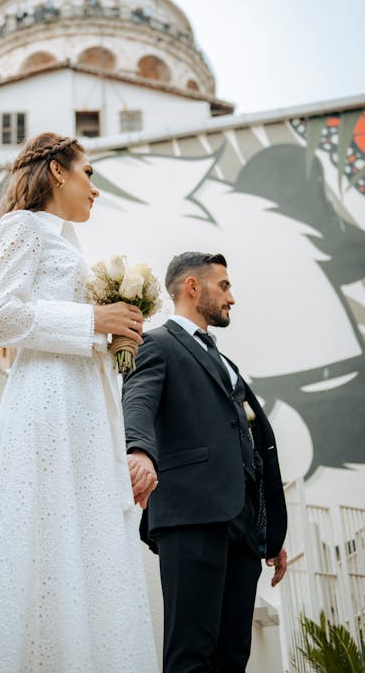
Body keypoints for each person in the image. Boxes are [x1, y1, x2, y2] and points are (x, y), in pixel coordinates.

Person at [0, 132, 158, 673]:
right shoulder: (21, 227)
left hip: (87, 413)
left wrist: (112, 337)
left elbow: (57, 322)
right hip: (45, 407)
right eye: (88, 173)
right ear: (57, 172)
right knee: (44, 538)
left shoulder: (67, 242)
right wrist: (95, 320)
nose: (95, 187)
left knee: (88, 547)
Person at [122, 252, 288, 673]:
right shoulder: (156, 343)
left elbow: (247, 443)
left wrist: (267, 527)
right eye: (225, 286)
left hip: (243, 525)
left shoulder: (225, 363)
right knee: (191, 652)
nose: (233, 297)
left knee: (233, 656)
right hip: (191, 515)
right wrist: (139, 449)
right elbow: (138, 398)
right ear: (193, 287)